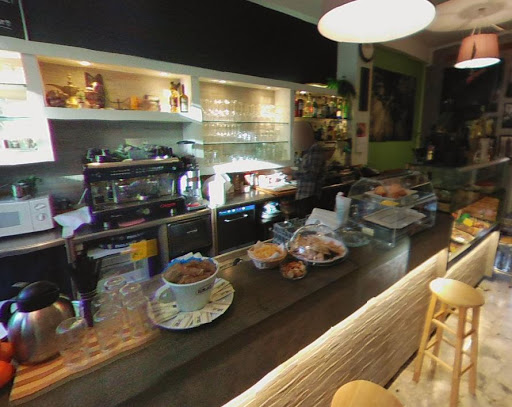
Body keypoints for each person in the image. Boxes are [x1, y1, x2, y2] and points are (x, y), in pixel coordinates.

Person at [283, 121, 326, 217]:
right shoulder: (307, 151)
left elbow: (311, 174)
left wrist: (292, 172)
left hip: (310, 198)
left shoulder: (315, 149)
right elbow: (304, 170)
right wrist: (293, 175)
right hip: (304, 196)